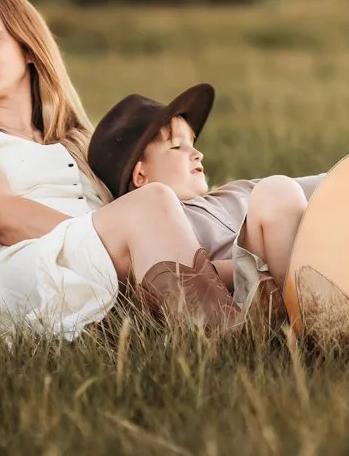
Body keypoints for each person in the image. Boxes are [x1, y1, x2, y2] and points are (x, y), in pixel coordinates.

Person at [0, 0, 245, 337]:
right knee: (155, 204)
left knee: (261, 200)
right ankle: (230, 341)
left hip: (99, 258)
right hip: (22, 268)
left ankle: (276, 297)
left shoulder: (77, 140)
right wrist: (117, 237)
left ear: (27, 48)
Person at [86, 86, 317, 328]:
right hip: (252, 305)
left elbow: (327, 184)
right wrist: (264, 259)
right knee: (277, 190)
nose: (197, 153)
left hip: (317, 265)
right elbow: (191, 280)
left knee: (282, 188)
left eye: (192, 142)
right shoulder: (161, 226)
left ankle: (330, 294)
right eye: (177, 146)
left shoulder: (237, 192)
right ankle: (309, 324)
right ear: (141, 174)